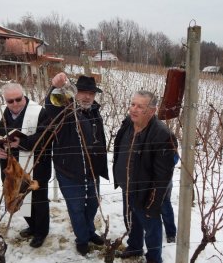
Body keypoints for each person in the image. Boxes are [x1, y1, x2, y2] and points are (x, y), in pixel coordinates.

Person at [45, 72, 108, 256]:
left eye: (91, 93)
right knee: (76, 208)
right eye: (82, 92)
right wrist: (54, 87)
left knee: (93, 204)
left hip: (92, 171)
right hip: (70, 172)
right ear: (75, 93)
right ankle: (82, 239)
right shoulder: (65, 109)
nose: (87, 96)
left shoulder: (95, 112)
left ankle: (89, 232)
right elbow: (50, 106)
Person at [113, 90, 178, 263]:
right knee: (132, 221)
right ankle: (134, 247)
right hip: (127, 186)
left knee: (151, 227)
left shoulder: (162, 135)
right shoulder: (128, 123)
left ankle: (154, 259)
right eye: (132, 104)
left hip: (146, 192)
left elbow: (162, 176)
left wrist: (153, 203)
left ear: (152, 111)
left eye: (140, 106)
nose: (133, 109)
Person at [0, 83, 51, 248]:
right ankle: (32, 225)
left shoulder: (39, 112)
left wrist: (22, 143)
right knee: (17, 197)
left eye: (18, 99)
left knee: (38, 200)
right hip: (9, 166)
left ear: (24, 96)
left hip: (36, 165)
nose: (15, 104)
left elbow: (46, 136)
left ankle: (41, 232)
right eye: (10, 101)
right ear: (5, 101)